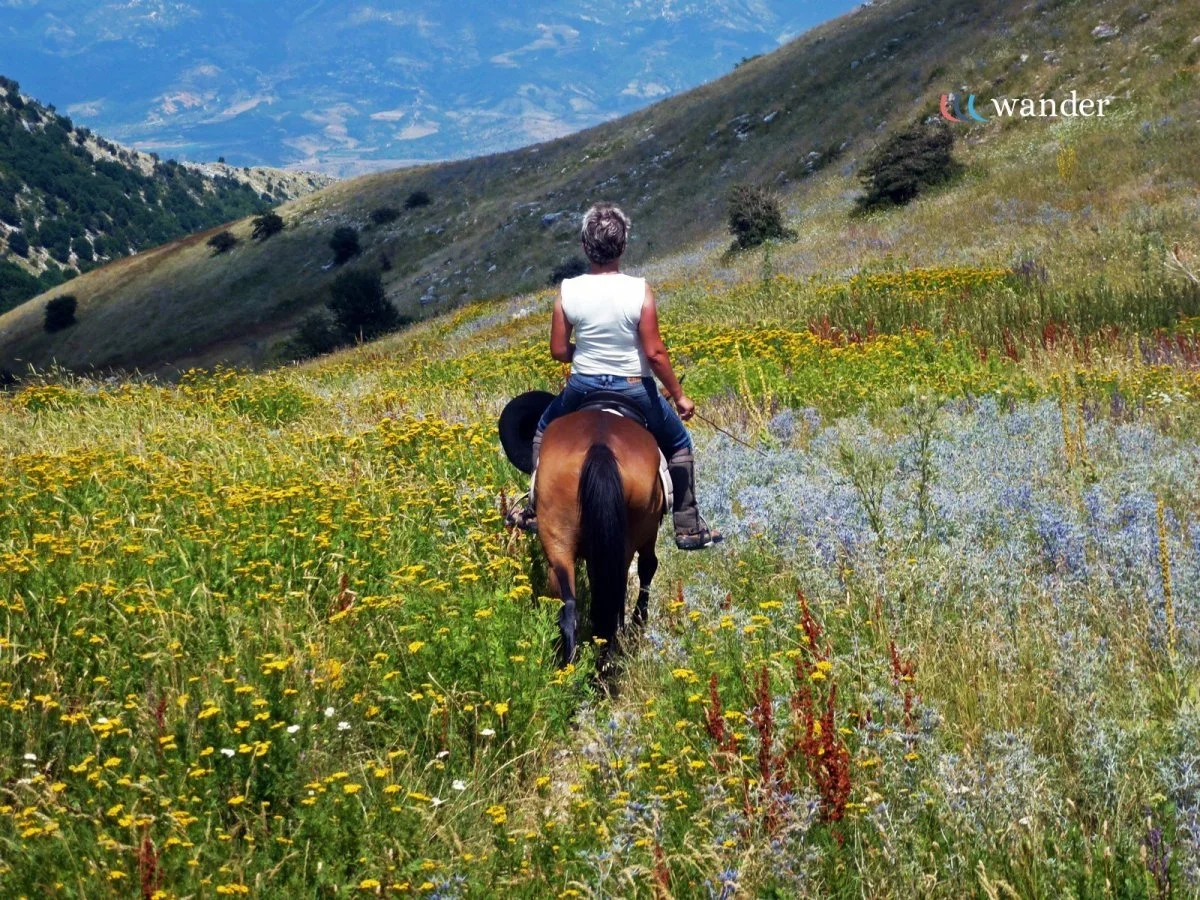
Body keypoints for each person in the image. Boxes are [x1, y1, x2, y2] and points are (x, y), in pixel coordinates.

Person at [507, 202, 722, 550]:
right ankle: (688, 525)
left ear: (584, 246)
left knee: (544, 432)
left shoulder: (568, 290)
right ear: (622, 246)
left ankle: (535, 508)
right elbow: (653, 353)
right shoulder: (640, 290)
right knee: (680, 443)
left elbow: (559, 351)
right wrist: (679, 396)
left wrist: (589, 355)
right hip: (635, 388)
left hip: (582, 386)